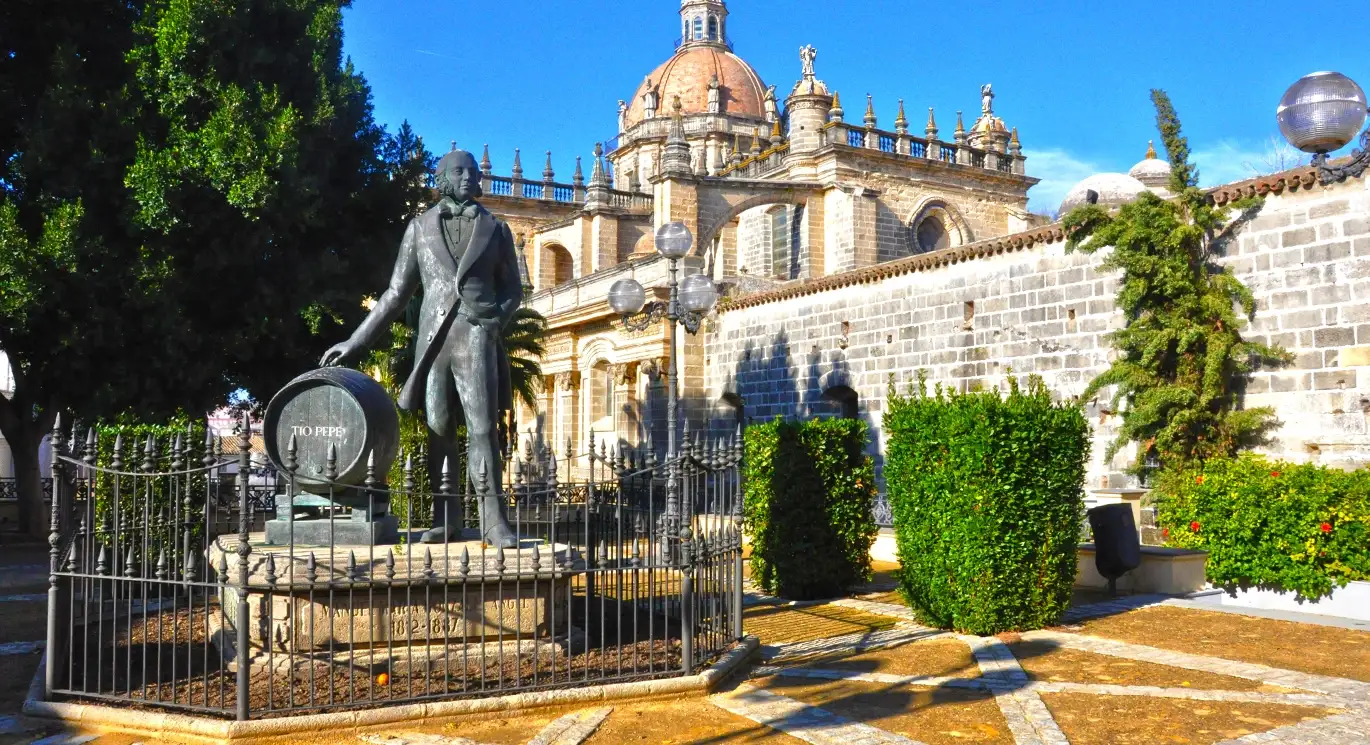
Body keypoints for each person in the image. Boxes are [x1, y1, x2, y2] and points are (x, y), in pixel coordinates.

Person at [320, 150, 523, 547]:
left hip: (477, 334)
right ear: (443, 178)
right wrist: (356, 341)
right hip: (432, 341)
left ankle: (494, 522)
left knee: (483, 429)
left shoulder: (497, 230)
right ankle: (444, 517)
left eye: (473, 171)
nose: (468, 177)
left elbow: (513, 290)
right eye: (459, 171)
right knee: (439, 429)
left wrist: (495, 321)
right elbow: (396, 294)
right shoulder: (419, 227)